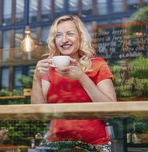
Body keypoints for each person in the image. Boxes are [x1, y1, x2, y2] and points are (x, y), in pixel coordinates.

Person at [31, 15, 116, 152]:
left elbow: (111, 111)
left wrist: (81, 77)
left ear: (80, 37)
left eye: (70, 33)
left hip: (94, 146)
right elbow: (38, 113)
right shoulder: (49, 68)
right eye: (59, 35)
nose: (64, 40)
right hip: (56, 146)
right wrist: (36, 78)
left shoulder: (97, 64)